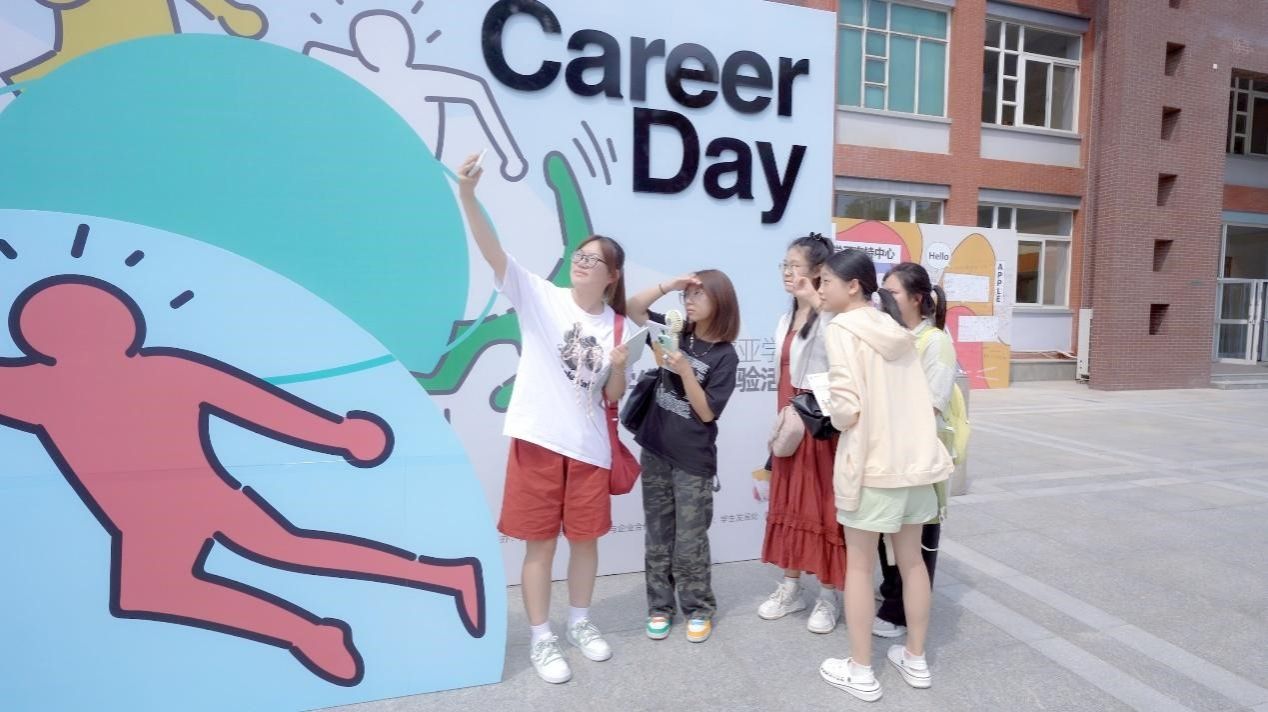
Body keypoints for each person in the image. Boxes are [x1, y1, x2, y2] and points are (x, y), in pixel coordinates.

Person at [457, 153, 630, 684]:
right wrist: (467, 195)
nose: (582, 262)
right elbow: (493, 250)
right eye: (580, 254)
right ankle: (541, 636)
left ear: (612, 276)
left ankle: (579, 622)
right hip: (537, 440)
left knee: (585, 541)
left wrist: (621, 365)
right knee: (540, 543)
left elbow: (612, 396)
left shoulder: (620, 326)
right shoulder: (540, 296)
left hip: (589, 449)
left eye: (594, 259)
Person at [815, 249, 953, 702]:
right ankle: (916, 659)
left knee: (859, 565)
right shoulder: (898, 329)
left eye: (826, 281)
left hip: (872, 466)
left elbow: (847, 410)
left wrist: (831, 409)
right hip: (914, 465)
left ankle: (861, 670)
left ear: (853, 285)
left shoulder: (842, 329)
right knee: (912, 563)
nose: (820, 290)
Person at [625, 271, 741, 644]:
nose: (688, 301)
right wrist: (668, 286)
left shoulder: (725, 355)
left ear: (719, 301)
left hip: (693, 459)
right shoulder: (675, 331)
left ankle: (698, 608)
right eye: (686, 295)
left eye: (697, 295)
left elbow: (706, 413)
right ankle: (660, 607)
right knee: (658, 535)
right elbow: (632, 308)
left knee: (690, 540)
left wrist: (686, 371)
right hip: (655, 448)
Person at [758, 233, 846, 634]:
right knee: (789, 506)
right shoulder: (785, 318)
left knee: (822, 508)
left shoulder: (832, 318)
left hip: (820, 428)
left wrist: (816, 300)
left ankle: (828, 594)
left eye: (795, 266)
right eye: (785, 265)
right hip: (789, 427)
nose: (787, 272)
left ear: (817, 272)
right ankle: (790, 587)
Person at [873, 262, 956, 639]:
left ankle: (901, 613)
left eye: (892, 293)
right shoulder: (892, 335)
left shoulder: (934, 341)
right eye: (883, 291)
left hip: (917, 456)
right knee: (886, 531)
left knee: (916, 538)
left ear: (917, 298)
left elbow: (932, 405)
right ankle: (893, 594)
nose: (884, 299)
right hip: (888, 451)